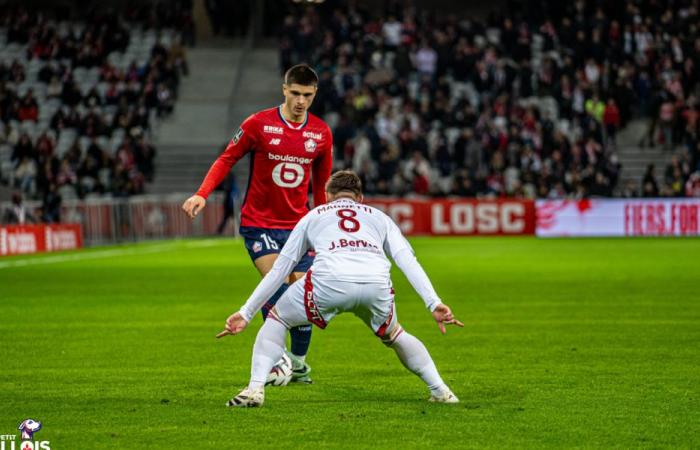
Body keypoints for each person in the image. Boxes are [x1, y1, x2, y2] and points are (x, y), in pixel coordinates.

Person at [216, 171, 463, 407]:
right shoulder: (379, 217)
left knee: (278, 318)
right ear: (360, 198)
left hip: (329, 282)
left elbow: (281, 269)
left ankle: (254, 388)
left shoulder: (315, 215)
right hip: (375, 284)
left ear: (327, 196)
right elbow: (407, 260)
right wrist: (433, 302)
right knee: (395, 334)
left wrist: (247, 312)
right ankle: (441, 390)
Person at [182, 64, 333, 383]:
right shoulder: (258, 124)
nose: (300, 101)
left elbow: (320, 186)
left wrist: (325, 228)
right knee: (277, 283)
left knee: (304, 292)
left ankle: (298, 362)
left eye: (307, 95)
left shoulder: (321, 133)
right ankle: (277, 358)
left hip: (300, 227)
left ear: (314, 94)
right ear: (284, 90)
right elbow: (227, 158)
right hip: (260, 224)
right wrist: (202, 194)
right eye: (295, 93)